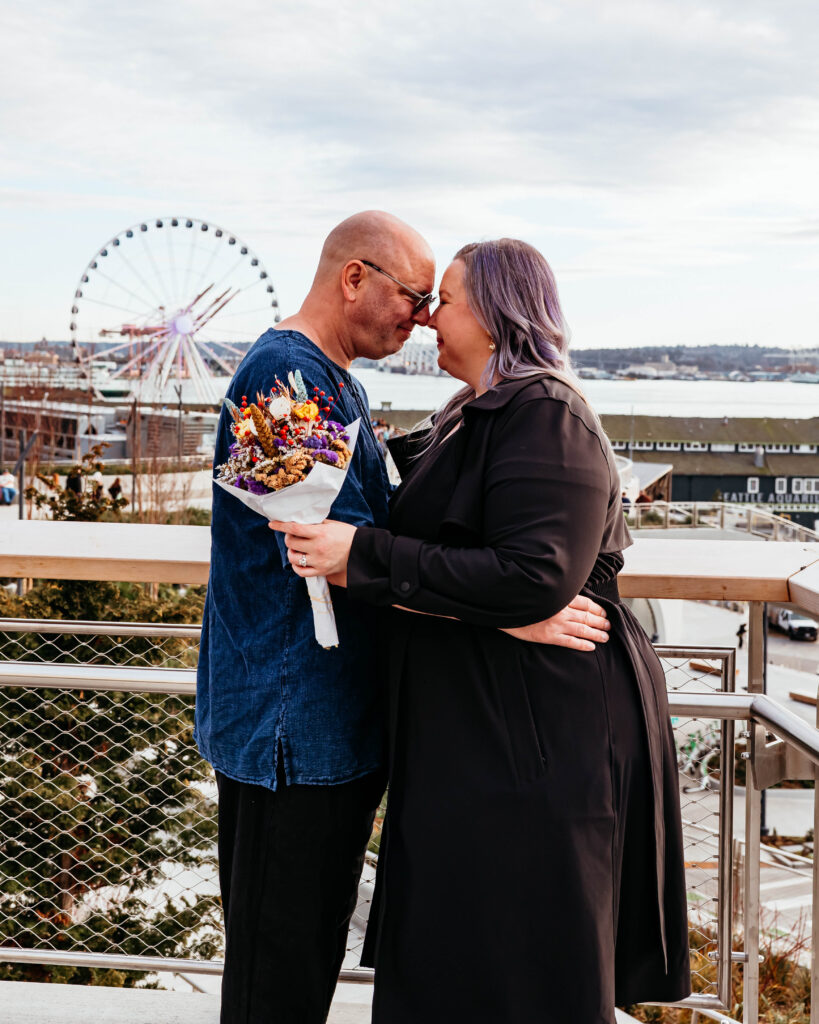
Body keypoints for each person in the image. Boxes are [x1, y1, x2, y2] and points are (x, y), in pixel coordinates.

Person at [197, 214, 611, 1024]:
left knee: (303, 953)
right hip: (291, 730)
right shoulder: (282, 377)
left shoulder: (330, 376)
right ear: (353, 278)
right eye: (411, 296)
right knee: (277, 971)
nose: (419, 317)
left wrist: (493, 597)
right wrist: (501, 616)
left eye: (433, 301)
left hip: (320, 727)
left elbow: (371, 548)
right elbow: (320, 548)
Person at [273, 238, 692, 1022]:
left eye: (449, 301)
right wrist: (494, 613)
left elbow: (536, 574)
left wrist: (363, 554)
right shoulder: (472, 416)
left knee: (520, 959)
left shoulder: (546, 413)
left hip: (532, 741)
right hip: (485, 725)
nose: (430, 316)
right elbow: (500, 577)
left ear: (497, 319)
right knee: (465, 953)